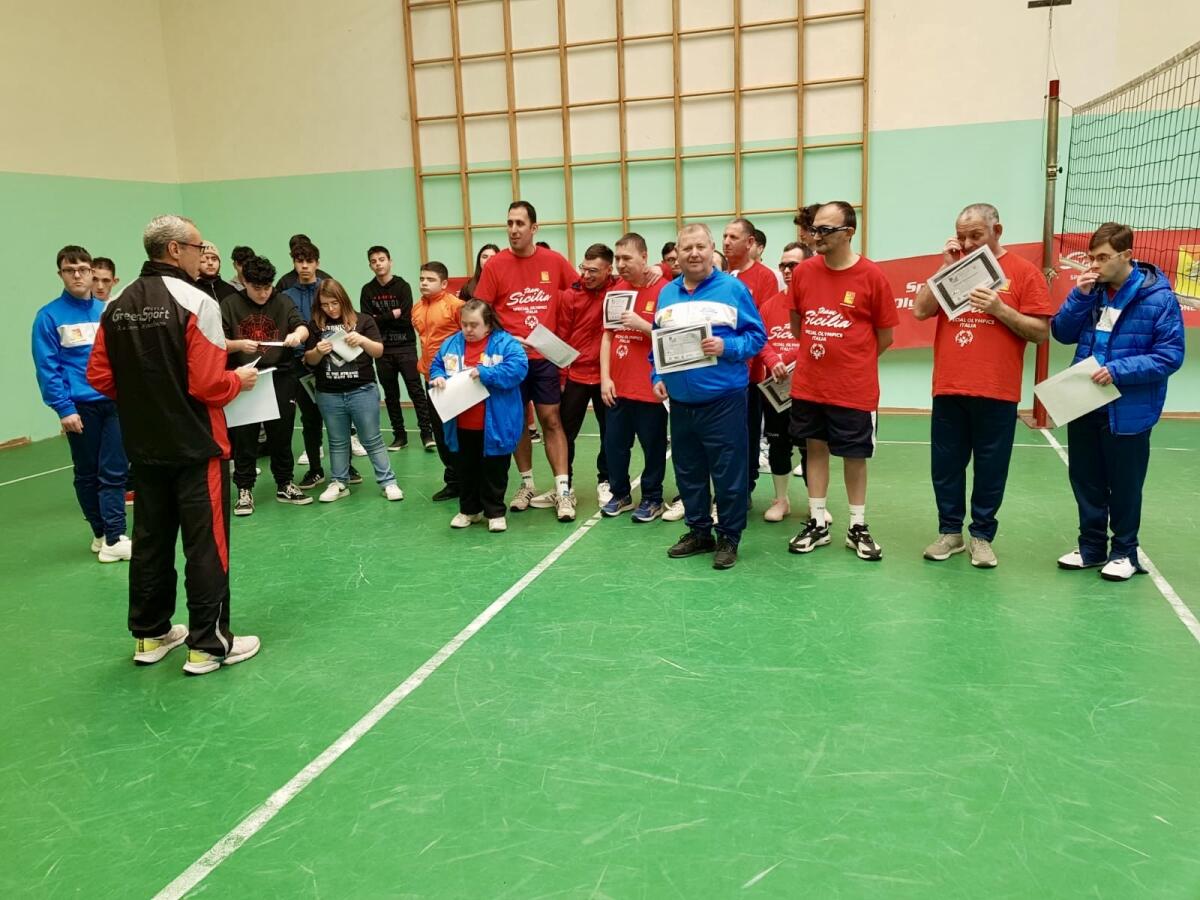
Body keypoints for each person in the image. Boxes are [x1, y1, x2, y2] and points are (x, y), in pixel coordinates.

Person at [86, 214, 261, 675]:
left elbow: (99, 375)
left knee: (150, 540)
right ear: (174, 250)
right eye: (198, 247)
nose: (205, 255)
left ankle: (150, 634)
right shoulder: (197, 301)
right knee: (206, 544)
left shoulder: (116, 304)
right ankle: (209, 644)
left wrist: (149, 399)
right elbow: (207, 384)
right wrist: (237, 380)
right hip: (195, 444)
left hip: (144, 446)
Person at [912, 203, 1054, 568]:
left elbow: (1040, 332)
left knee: (991, 468)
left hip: (997, 390)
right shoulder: (953, 269)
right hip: (949, 387)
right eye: (962, 236)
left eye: (976, 235)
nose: (968, 242)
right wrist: (944, 266)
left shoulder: (1023, 272)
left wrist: (1000, 309)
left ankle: (982, 537)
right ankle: (950, 533)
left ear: (997, 231)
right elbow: (920, 310)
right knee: (945, 465)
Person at [1051, 222, 1185, 581]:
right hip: (1083, 401)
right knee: (1086, 478)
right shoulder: (1091, 291)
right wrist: (1077, 297)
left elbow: (1170, 356)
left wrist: (1119, 369)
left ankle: (1125, 551)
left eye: (1103, 258)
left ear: (1127, 255)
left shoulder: (1159, 298)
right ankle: (1092, 547)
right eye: (1092, 257)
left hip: (1128, 407)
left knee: (1125, 483)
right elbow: (1061, 333)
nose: (1094, 265)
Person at [787, 200, 898, 561]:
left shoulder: (872, 276)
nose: (816, 236)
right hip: (809, 385)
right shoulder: (803, 273)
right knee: (814, 449)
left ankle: (857, 526)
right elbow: (797, 326)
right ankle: (817, 521)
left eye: (825, 230)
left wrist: (852, 362)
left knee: (854, 456)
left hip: (853, 388)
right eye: (814, 229)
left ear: (848, 232)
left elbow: (885, 337)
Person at [652, 223, 766, 570]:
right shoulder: (666, 294)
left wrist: (726, 346)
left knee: (728, 474)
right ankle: (699, 531)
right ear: (678, 254)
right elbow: (657, 342)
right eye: (687, 248)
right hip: (682, 404)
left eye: (700, 246)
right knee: (688, 472)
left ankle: (729, 537)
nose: (694, 254)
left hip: (724, 402)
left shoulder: (733, 289)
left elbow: (757, 337)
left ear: (712, 248)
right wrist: (656, 375)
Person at [471, 200, 579, 521]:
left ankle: (562, 491)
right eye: (510, 223)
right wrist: (499, 341)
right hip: (509, 360)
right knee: (517, 423)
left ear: (534, 228)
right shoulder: (495, 266)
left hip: (543, 358)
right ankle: (527, 484)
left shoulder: (554, 261)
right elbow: (481, 311)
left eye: (520, 223)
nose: (514, 229)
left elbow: (579, 290)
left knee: (552, 420)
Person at [32, 244, 130, 562]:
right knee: (87, 473)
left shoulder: (107, 312)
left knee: (114, 470)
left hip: (114, 404)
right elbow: (48, 368)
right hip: (80, 409)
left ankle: (115, 537)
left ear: (92, 272)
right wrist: (64, 408)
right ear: (61, 274)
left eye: (83, 269)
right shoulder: (48, 317)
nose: (78, 275)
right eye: (69, 270)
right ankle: (101, 534)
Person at [220, 254, 312, 516]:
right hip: (244, 375)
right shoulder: (230, 304)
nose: (262, 293)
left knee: (281, 434)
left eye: (267, 287)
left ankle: (284, 483)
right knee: (245, 437)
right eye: (256, 288)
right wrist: (238, 345)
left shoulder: (282, 301)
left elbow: (302, 326)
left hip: (279, 374)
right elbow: (216, 340)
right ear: (244, 283)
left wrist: (297, 335)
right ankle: (245, 489)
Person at [429, 300, 529, 532]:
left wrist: (486, 373)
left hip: (496, 423)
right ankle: (469, 511)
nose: (468, 330)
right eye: (464, 324)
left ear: (488, 324)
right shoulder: (451, 343)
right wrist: (438, 377)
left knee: (495, 469)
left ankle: (495, 512)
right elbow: (436, 365)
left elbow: (518, 369)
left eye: (474, 325)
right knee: (465, 469)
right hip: (461, 424)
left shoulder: (506, 344)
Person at [302, 279, 404, 503]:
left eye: (334, 303)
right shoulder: (315, 326)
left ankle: (388, 482)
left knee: (372, 438)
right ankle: (339, 481)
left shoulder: (364, 320)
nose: (330, 309)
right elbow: (308, 359)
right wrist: (318, 351)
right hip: (328, 393)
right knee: (337, 440)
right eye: (325, 304)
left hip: (362, 390)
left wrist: (362, 339)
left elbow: (378, 351)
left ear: (343, 301)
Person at [601, 233, 669, 522]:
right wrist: (605, 378)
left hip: (650, 388)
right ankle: (621, 494)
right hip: (618, 387)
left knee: (653, 447)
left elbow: (672, 339)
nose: (620, 264)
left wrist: (643, 325)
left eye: (626, 258)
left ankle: (653, 498)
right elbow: (607, 337)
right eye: (618, 258)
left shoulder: (665, 290)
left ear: (644, 257)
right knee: (614, 444)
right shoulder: (616, 291)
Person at [551, 242, 615, 508]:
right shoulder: (569, 296)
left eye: (594, 271)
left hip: (606, 377)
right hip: (576, 374)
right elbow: (562, 336)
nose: (586, 276)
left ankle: (607, 480)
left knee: (610, 433)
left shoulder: (619, 290)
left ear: (609, 270)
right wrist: (562, 378)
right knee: (566, 433)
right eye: (584, 269)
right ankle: (566, 486)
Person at [360, 245, 435, 451]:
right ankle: (399, 436)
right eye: (374, 261)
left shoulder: (403, 286)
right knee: (391, 395)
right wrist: (391, 315)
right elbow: (368, 323)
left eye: (382, 259)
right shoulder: (367, 290)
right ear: (370, 265)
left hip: (405, 347)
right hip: (382, 349)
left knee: (416, 391)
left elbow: (406, 319)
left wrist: (383, 318)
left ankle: (427, 434)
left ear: (390, 261)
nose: (378, 264)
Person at [413, 261, 465, 501]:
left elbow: (470, 336)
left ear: (444, 283)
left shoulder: (456, 307)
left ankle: (469, 479)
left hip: (455, 379)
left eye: (430, 279)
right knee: (441, 433)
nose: (424, 282)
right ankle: (453, 481)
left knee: (460, 432)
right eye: (422, 278)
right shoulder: (416, 308)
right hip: (430, 378)